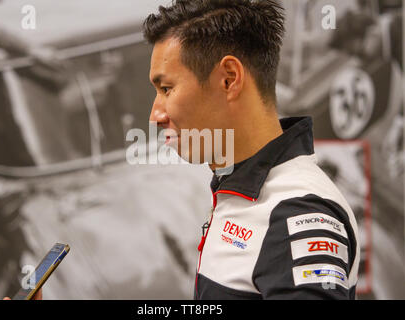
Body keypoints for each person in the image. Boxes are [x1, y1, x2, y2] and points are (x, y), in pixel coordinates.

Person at [144, 0, 359, 299]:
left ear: (229, 79)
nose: (156, 114)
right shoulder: (242, 188)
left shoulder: (297, 212)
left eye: (167, 89)